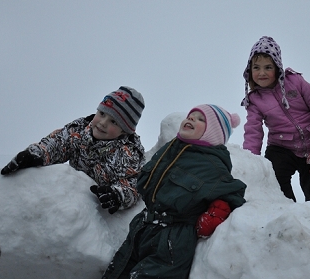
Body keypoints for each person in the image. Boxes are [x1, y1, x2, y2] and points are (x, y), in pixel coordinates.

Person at [101, 104, 246, 279]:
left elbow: (233, 192)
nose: (191, 119)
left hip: (172, 238)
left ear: (212, 133)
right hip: (142, 228)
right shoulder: (171, 149)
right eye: (191, 116)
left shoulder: (212, 164)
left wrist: (217, 211)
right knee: (116, 273)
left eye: (201, 120)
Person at [0, 86, 146, 213]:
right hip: (71, 196)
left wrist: (117, 195)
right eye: (102, 114)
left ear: (125, 131)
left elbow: (134, 185)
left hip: (97, 213)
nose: (102, 123)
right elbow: (58, 143)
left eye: (113, 121)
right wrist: (37, 153)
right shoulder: (80, 130)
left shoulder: (129, 153)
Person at [241, 36, 310, 202]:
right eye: (256, 67)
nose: (261, 73)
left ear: (277, 68)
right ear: (250, 71)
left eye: (268, 67)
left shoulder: (295, 82)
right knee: (275, 179)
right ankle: (285, 211)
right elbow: (253, 131)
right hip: (281, 147)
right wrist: (250, 162)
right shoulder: (255, 99)